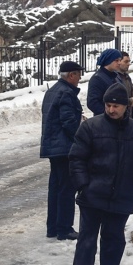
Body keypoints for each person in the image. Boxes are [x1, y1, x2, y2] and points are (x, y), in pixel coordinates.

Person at [67, 85, 133, 265]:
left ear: (126, 106)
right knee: (87, 241)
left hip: (122, 197)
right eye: (108, 105)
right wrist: (83, 185)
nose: (111, 109)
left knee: (113, 243)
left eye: (116, 106)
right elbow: (76, 158)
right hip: (92, 195)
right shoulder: (91, 128)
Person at [39, 60, 84, 241]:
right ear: (71, 75)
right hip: (64, 148)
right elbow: (68, 122)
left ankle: (53, 227)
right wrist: (80, 138)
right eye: (78, 75)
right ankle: (64, 228)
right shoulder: (66, 93)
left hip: (54, 147)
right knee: (67, 188)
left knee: (56, 187)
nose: (80, 79)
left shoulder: (53, 91)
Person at [87, 48, 133, 116]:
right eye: (116, 60)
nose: (119, 63)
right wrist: (109, 115)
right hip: (105, 121)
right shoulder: (97, 78)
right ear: (108, 61)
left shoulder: (115, 75)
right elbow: (92, 103)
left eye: (120, 60)